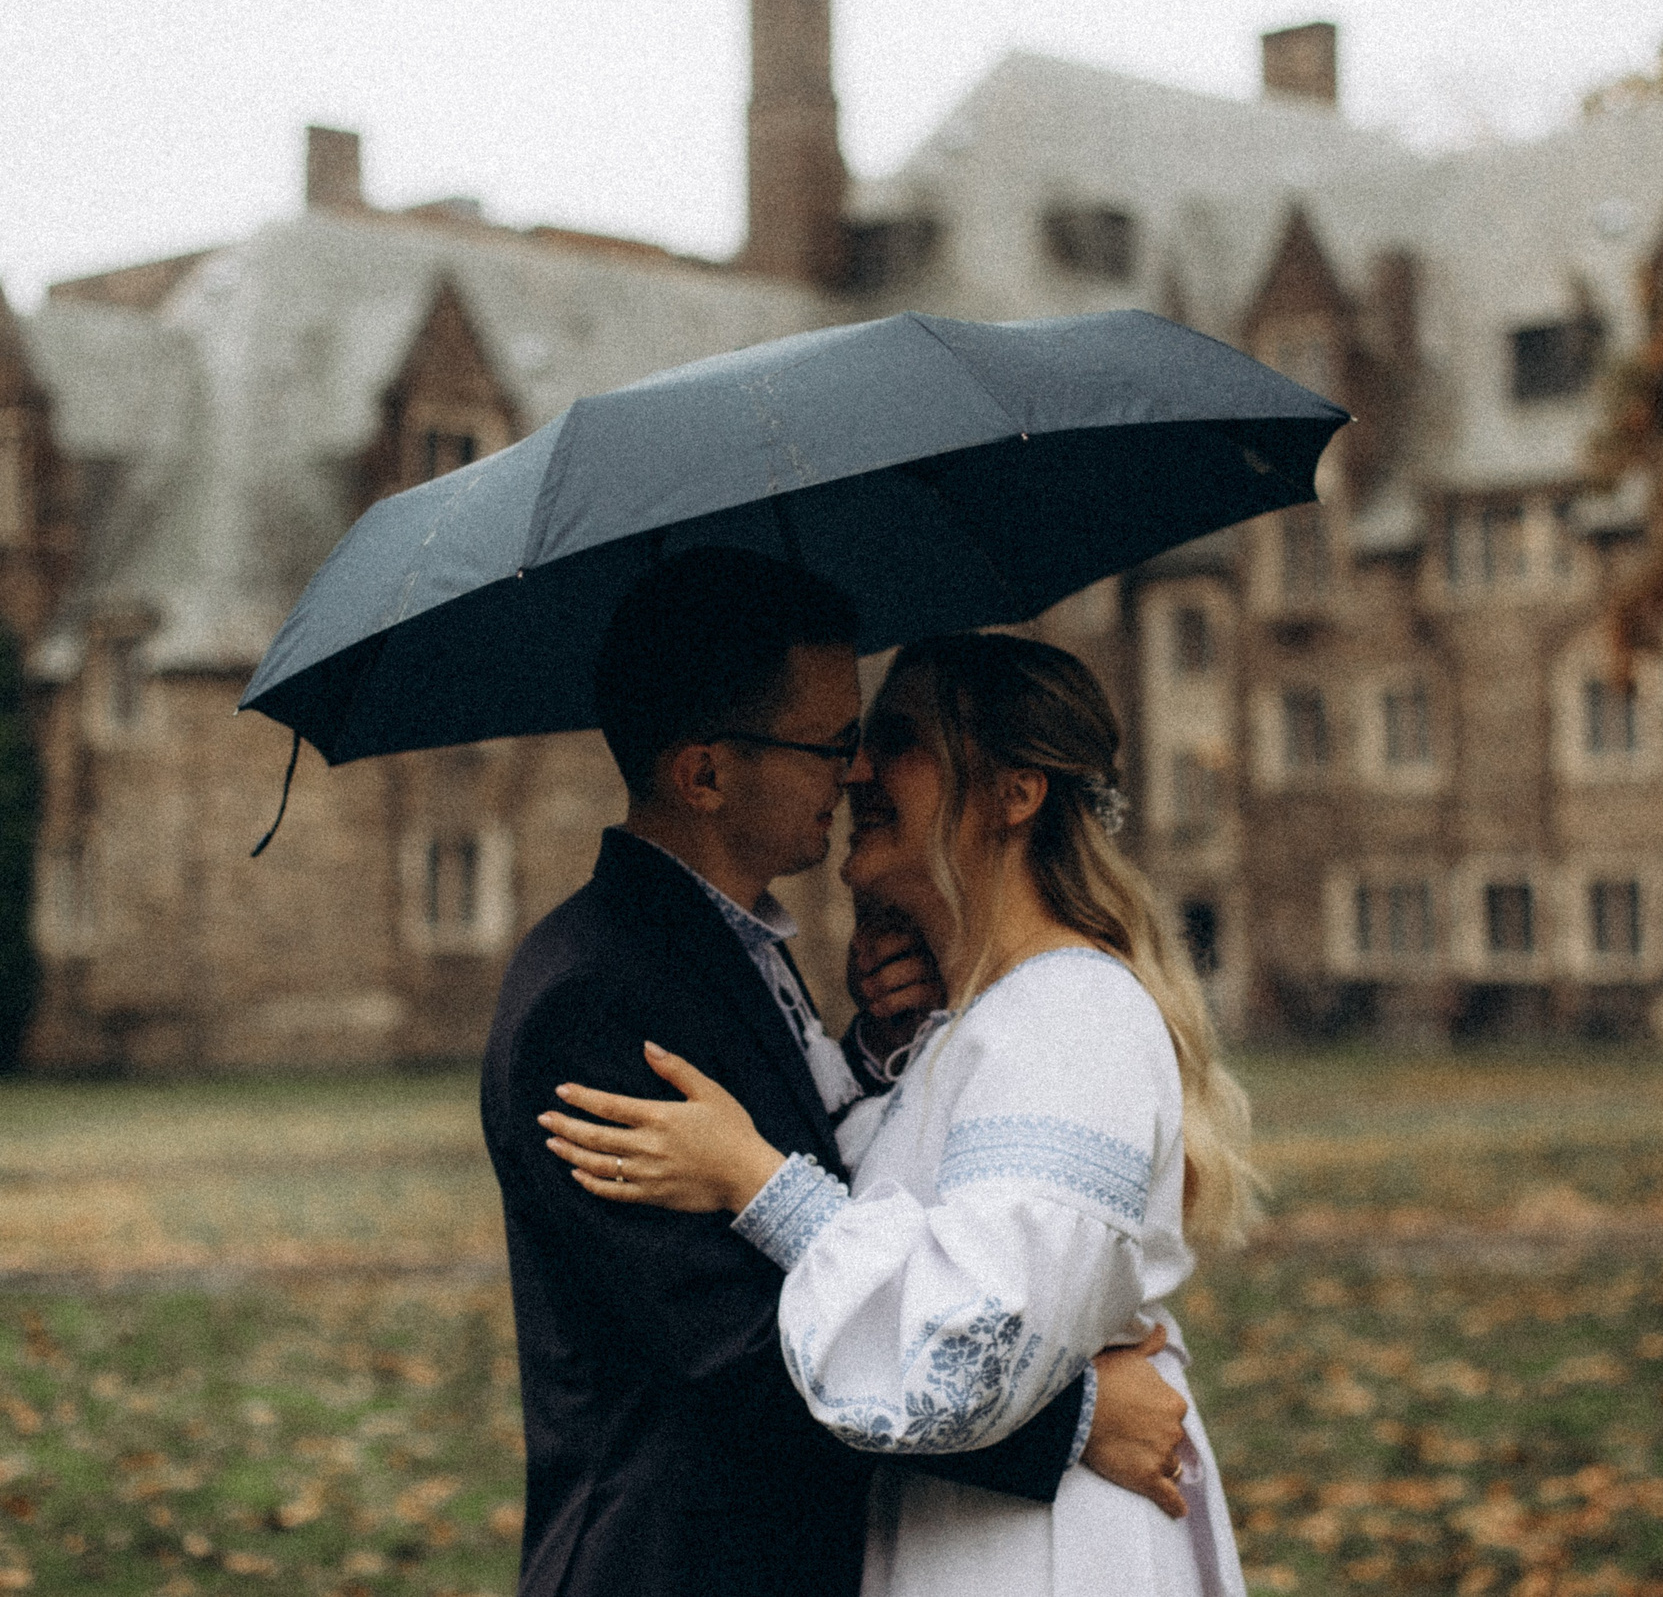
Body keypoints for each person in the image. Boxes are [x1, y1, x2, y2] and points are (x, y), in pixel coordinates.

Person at [479, 552, 1193, 1597]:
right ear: (707, 774)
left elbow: (827, 1192)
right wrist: (1074, 1421)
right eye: (832, 743)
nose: (852, 772)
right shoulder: (601, 995)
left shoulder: (734, 953)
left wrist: (870, 1056)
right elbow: (728, 1351)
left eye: (873, 742)